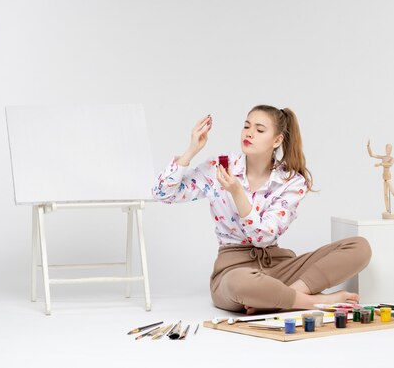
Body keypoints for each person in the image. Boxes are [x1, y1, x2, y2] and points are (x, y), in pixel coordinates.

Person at [151, 105, 371, 314]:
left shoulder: (291, 181)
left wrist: (237, 192)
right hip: (233, 270)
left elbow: (263, 238)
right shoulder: (219, 168)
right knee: (241, 283)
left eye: (259, 129)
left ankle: (283, 298)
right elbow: (162, 193)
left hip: (279, 267)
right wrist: (191, 150)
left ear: (277, 140)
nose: (249, 133)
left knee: (359, 247)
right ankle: (312, 301)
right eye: (246, 126)